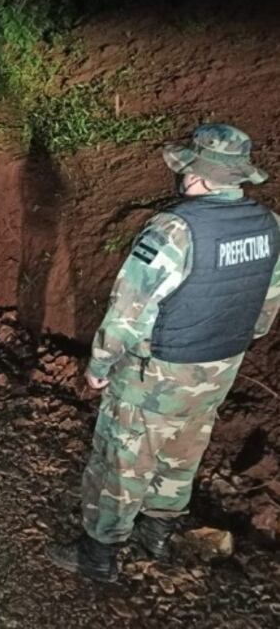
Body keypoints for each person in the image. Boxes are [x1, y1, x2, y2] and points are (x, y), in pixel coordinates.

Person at [46, 124, 280, 582]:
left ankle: (99, 554)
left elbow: (129, 309)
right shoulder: (269, 225)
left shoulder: (175, 229)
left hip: (158, 371)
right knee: (183, 449)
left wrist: (101, 363)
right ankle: (157, 533)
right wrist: (232, 342)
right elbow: (267, 303)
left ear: (198, 174)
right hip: (220, 366)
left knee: (122, 457)